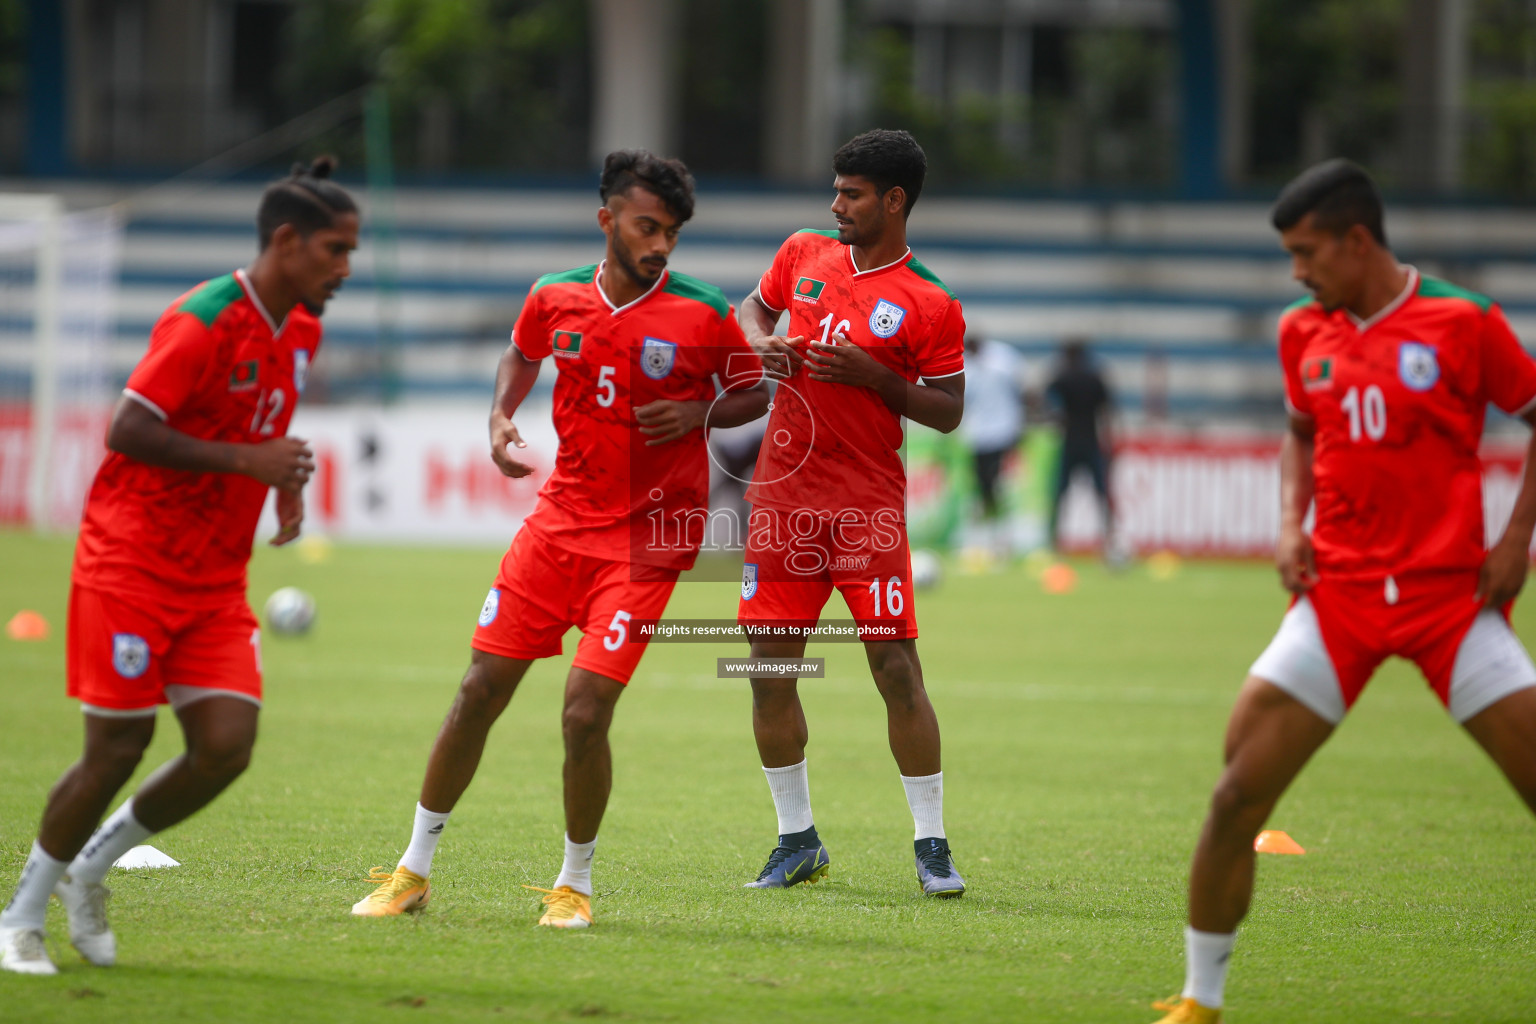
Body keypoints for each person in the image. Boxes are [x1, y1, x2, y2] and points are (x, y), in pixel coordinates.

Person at [1151, 159, 1536, 1023]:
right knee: (1233, 796)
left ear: (1357, 240)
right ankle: (1198, 1001)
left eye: (1306, 251)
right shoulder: (1302, 332)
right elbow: (1298, 432)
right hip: (1340, 600)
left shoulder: (1465, 322)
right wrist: (1292, 522)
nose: (1296, 271)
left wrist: (1517, 539)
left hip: (1451, 604)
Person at [351, 151, 767, 929]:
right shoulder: (555, 296)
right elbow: (521, 352)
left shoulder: (703, 311)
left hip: (649, 542)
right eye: (647, 227)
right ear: (607, 219)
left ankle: (573, 884)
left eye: (671, 233)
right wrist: (501, 418)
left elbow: (752, 392)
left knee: (584, 712)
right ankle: (412, 870)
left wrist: (697, 416)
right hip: (557, 527)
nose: (660, 246)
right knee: (479, 692)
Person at [0, 158, 357, 975]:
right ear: (286, 241)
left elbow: (264, 427)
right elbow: (127, 429)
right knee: (116, 748)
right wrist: (250, 461)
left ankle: (93, 866)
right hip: (130, 561)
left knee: (226, 745)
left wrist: (284, 491)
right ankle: (20, 914)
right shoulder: (201, 321)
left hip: (213, 579)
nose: (344, 269)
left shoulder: (300, 327)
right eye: (335, 250)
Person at [735, 128, 968, 897]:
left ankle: (931, 844)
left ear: (894, 201)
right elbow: (751, 309)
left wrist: (879, 379)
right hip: (782, 503)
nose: (836, 205)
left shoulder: (930, 301)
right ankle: (795, 837)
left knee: (895, 670)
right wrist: (761, 342)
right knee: (769, 673)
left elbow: (947, 411)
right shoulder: (803, 253)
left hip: (866, 507)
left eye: (853, 194)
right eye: (835, 190)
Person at [960, 332, 1026, 557]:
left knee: (1000, 486)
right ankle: (986, 539)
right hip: (978, 435)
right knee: (982, 487)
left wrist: (1021, 425)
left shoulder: (1003, 357)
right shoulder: (965, 365)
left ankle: (1004, 539)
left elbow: (1022, 391)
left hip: (1003, 431)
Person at [1045, 338, 1113, 551]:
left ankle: (1054, 541)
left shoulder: (1062, 378)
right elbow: (1106, 412)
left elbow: (1045, 401)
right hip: (1091, 441)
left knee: (1060, 494)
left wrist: (1056, 421)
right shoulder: (1095, 378)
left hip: (1069, 442)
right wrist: (1110, 442)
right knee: (1101, 493)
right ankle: (1109, 540)